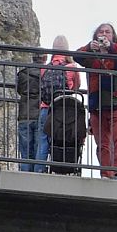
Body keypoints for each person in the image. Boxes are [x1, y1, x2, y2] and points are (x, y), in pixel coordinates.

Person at [75, 23, 117, 179]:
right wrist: (89, 47)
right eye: (101, 32)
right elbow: (76, 55)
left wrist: (111, 47)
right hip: (97, 105)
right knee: (102, 143)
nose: (104, 34)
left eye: (108, 32)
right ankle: (106, 173)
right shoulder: (91, 57)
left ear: (113, 36)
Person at [35, 36, 82, 173]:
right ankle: (64, 169)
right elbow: (76, 88)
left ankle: (39, 170)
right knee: (62, 141)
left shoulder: (45, 68)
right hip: (63, 112)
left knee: (43, 141)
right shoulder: (72, 67)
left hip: (45, 108)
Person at [16, 54, 46, 172]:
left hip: (25, 114)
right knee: (38, 148)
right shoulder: (46, 73)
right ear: (44, 59)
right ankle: (37, 174)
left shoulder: (23, 73)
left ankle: (25, 174)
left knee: (25, 150)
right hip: (40, 114)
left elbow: (19, 90)